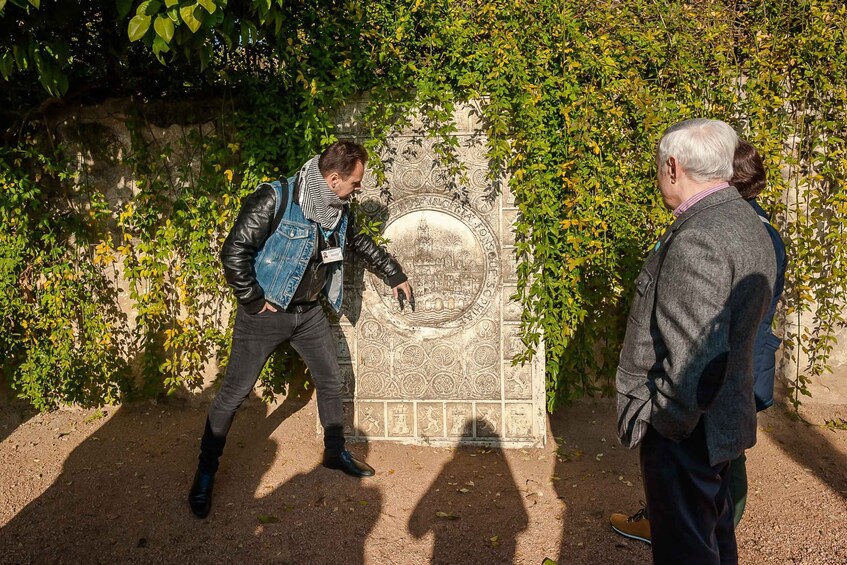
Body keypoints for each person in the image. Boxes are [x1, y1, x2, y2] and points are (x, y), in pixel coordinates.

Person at [188, 141, 413, 519]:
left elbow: (356, 242)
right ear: (334, 177)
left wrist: (394, 273)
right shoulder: (275, 197)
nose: (359, 189)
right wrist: (253, 299)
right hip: (265, 314)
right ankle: (205, 473)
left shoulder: (338, 209)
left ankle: (334, 451)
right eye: (355, 182)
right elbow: (235, 250)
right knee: (233, 394)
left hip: (307, 313)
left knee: (330, 380)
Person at [614, 119, 777, 564]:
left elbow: (695, 359)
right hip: (719, 420)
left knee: (686, 550)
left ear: (673, 166)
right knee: (713, 538)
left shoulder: (699, 237)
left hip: (688, 432)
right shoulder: (744, 219)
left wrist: (663, 425)